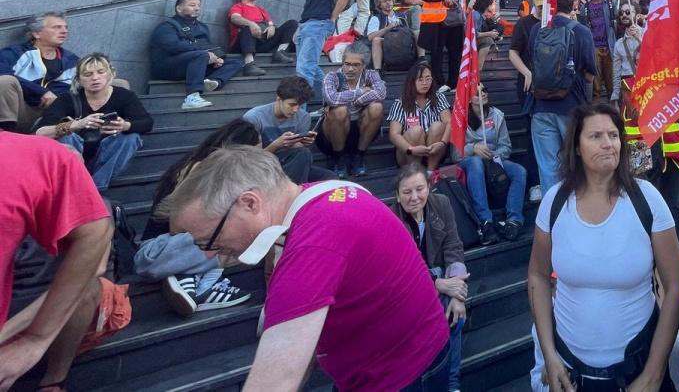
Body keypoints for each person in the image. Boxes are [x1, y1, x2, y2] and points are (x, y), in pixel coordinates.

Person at [163, 145, 450, 391]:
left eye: (209, 240)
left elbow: (276, 381)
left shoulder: (312, 244)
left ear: (250, 203)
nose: (209, 254)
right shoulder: (324, 196)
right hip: (405, 358)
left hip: (402, 374)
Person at [528, 100, 679, 392]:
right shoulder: (553, 202)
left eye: (613, 135)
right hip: (571, 374)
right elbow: (538, 274)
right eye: (596, 136)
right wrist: (549, 355)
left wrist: (654, 374)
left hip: (638, 371)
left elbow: (675, 283)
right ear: (577, 147)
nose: (608, 143)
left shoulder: (648, 198)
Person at [0, 135, 112, 392]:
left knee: (89, 290)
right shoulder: (27, 182)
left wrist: (26, 336)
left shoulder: (95, 206)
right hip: (17, 290)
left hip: (51, 295)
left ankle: (54, 380)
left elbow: (95, 268)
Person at [142, 120, 256, 317]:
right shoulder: (200, 169)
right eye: (255, 151)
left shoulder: (213, 169)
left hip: (178, 246)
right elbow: (177, 225)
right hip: (160, 249)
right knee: (235, 235)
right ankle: (191, 279)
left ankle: (200, 283)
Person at [395, 164, 469, 392]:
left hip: (442, 277)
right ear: (397, 196)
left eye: (420, 189)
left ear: (429, 187)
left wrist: (458, 291)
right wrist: (437, 283)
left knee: (455, 313)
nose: (414, 197)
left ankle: (452, 384)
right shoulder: (392, 219)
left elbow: (453, 246)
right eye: (407, 192)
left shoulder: (441, 204)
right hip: (406, 287)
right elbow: (403, 268)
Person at [36, 53, 153, 191]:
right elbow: (40, 133)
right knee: (66, 136)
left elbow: (147, 123)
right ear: (79, 79)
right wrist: (76, 125)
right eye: (87, 74)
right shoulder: (67, 99)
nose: (95, 78)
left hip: (106, 155)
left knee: (131, 138)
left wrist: (125, 126)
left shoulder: (124, 96)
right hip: (74, 156)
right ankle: (75, 184)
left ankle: (94, 189)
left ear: (111, 74)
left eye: (101, 72)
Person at [524, 0, 596, 190]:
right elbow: (590, 75)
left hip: (540, 107)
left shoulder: (537, 29)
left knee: (548, 169)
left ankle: (554, 207)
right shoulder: (582, 32)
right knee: (576, 163)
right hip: (572, 107)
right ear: (573, 4)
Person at [149, 0, 243, 111]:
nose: (197, 8)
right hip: (168, 67)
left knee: (235, 62)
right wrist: (205, 54)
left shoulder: (202, 27)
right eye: (192, 5)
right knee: (201, 55)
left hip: (196, 64)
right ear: (179, 8)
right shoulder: (167, 26)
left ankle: (213, 81)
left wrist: (216, 58)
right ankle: (191, 97)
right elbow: (173, 46)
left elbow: (208, 46)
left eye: (198, 5)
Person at [459, 84, 526, 243]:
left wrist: (494, 154)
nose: (483, 94)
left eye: (484, 90)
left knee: (519, 171)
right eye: (477, 93)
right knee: (476, 162)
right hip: (470, 161)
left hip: (494, 160)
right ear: (469, 99)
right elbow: (455, 153)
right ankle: (485, 221)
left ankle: (514, 220)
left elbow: (506, 146)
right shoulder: (460, 118)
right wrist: (473, 148)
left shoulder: (497, 115)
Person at [241, 77, 330, 184]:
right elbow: (251, 159)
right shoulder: (254, 117)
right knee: (303, 153)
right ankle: (293, 191)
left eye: (300, 105)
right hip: (264, 167)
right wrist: (276, 145)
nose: (295, 110)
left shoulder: (304, 117)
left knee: (329, 177)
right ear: (279, 99)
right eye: (292, 105)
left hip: (290, 163)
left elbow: (298, 152)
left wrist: (305, 143)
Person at [0, 12, 78, 133]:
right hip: (22, 111)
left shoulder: (72, 60)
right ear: (36, 33)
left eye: (65, 27)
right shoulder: (14, 53)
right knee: (5, 81)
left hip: (54, 116)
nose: (64, 31)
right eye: (56, 27)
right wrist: (40, 92)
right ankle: (6, 134)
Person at [319, 42, 386, 179]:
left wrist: (357, 101)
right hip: (332, 130)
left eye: (356, 65)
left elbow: (381, 93)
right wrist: (360, 92)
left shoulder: (371, 75)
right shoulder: (332, 76)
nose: (350, 69)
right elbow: (332, 99)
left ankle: (359, 156)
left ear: (364, 65)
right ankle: (338, 159)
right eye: (347, 64)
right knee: (340, 110)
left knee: (377, 107)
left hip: (360, 127)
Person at [387, 60, 452, 168]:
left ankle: (430, 171)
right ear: (412, 81)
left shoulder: (439, 97)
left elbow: (449, 122)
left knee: (438, 126)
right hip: (408, 153)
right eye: (420, 79)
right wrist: (410, 149)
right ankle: (415, 172)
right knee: (416, 130)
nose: (425, 83)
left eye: (428, 78)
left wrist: (443, 143)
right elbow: (394, 135)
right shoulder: (401, 103)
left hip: (435, 151)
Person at [228, 0, 297, 76]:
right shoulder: (237, 7)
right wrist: (251, 24)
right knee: (247, 28)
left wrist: (272, 27)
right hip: (242, 43)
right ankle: (249, 64)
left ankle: (280, 52)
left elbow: (270, 23)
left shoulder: (261, 10)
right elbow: (235, 18)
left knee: (292, 23)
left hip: (262, 42)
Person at [418, 0, 466, 88]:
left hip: (456, 17)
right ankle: (438, 82)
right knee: (437, 52)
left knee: (456, 51)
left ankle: (453, 82)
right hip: (438, 19)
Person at [583, 0, 617, 100]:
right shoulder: (585, 7)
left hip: (609, 48)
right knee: (595, 88)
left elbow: (616, 23)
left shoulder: (610, 4)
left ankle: (614, 111)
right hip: (594, 49)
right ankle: (596, 110)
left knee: (612, 86)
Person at [366, 0, 410, 71]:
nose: (388, 2)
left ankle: (421, 60)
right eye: (384, 1)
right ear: (379, 5)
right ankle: (377, 70)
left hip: (402, 41)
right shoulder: (376, 18)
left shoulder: (403, 16)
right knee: (376, 40)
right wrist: (388, 28)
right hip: (386, 43)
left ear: (393, 2)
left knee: (417, 32)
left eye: (389, 0)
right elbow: (370, 37)